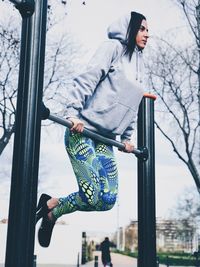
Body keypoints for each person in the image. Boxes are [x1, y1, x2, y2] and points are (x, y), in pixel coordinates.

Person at [36, 11, 149, 247]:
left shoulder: (140, 65)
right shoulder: (112, 48)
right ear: (129, 29)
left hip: (105, 139)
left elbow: (133, 105)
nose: (147, 34)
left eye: (148, 30)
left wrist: (127, 138)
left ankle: (51, 208)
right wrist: (73, 114)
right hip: (83, 131)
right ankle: (49, 212)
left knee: (107, 200)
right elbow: (88, 77)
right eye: (142, 29)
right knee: (91, 194)